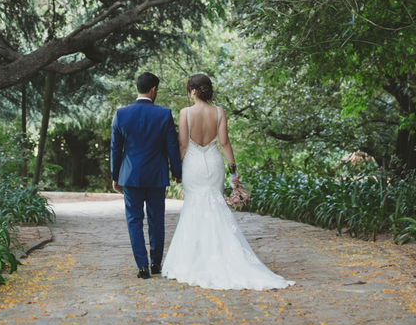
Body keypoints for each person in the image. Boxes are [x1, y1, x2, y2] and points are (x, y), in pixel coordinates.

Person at [161, 73, 293, 290]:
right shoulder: (220, 112)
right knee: (215, 204)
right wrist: (233, 173)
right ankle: (221, 254)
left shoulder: (185, 113)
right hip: (213, 164)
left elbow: (182, 146)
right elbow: (224, 143)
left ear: (193, 91)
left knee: (194, 205)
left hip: (193, 165)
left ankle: (193, 259)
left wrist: (176, 170)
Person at [111, 71, 183, 279]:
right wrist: (177, 173)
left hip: (130, 176)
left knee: (134, 220)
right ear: (153, 90)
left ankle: (142, 267)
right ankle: (156, 264)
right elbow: (171, 146)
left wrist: (115, 176)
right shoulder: (163, 114)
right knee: (156, 219)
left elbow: (116, 149)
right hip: (156, 175)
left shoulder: (121, 114)